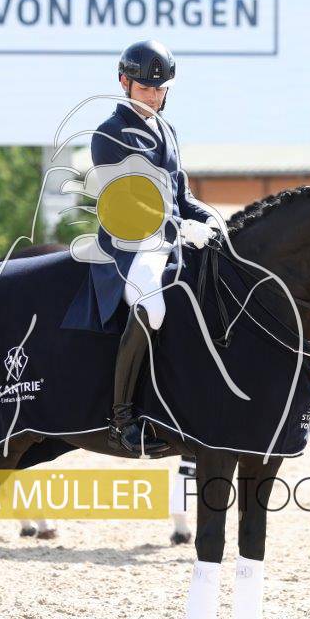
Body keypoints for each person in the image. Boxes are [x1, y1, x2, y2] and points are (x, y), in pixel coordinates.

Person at [90, 40, 222, 455]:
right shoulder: (108, 134)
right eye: (145, 88)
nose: (153, 96)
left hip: (171, 238)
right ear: (124, 82)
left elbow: (182, 195)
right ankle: (122, 418)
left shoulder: (167, 130)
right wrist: (181, 227)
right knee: (153, 305)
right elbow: (128, 203)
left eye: (160, 89)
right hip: (131, 245)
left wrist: (212, 219)